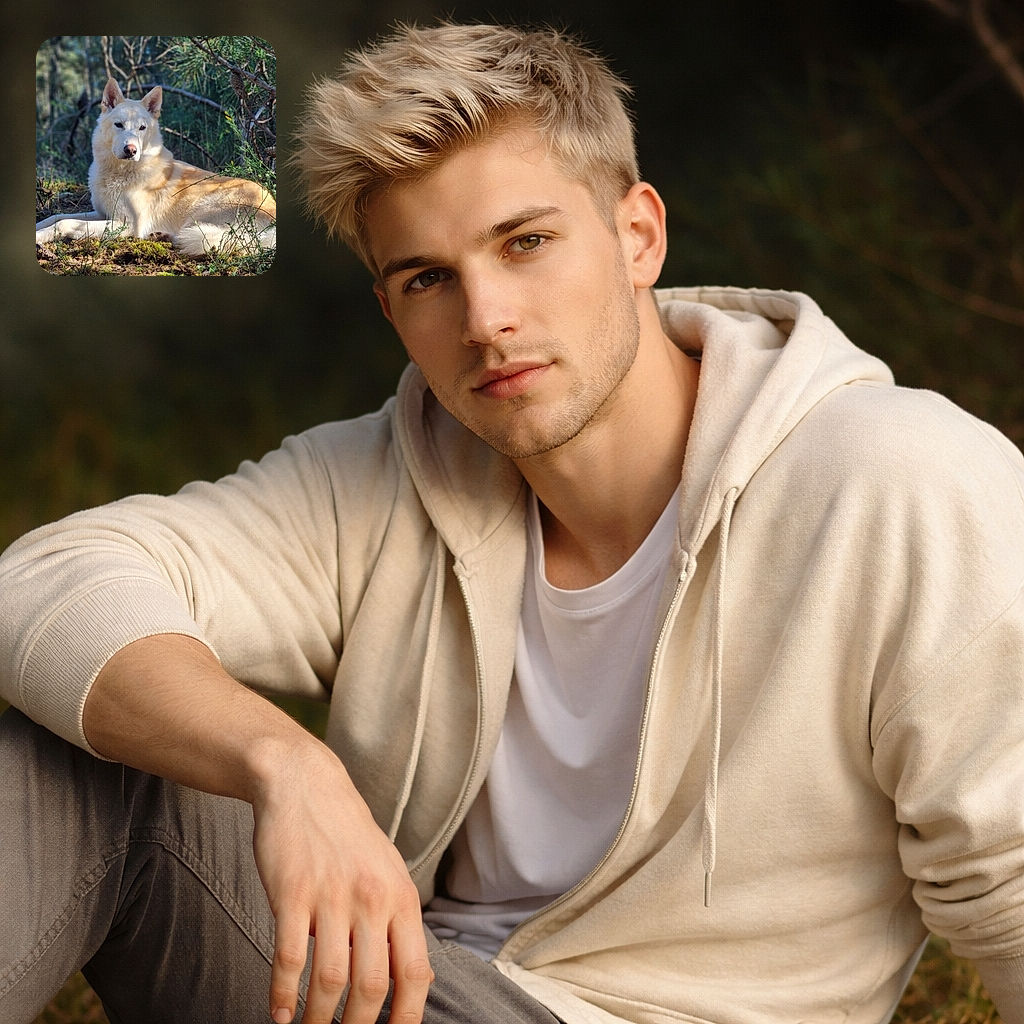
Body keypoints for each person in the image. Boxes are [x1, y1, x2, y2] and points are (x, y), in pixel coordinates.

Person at [2, 20, 1022, 1024]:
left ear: (638, 235)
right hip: (407, 986)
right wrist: (284, 762)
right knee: (77, 719)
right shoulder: (388, 476)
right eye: (428, 279)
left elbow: (1012, 885)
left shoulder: (897, 480)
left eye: (525, 243)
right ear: (391, 311)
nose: (484, 319)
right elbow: (47, 581)